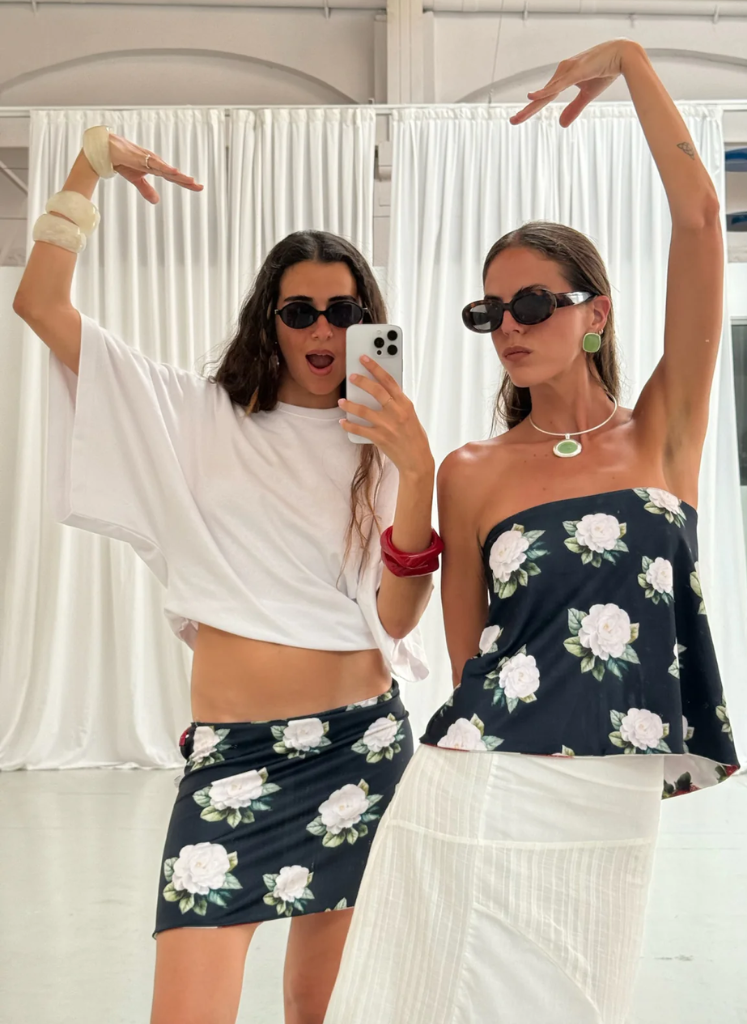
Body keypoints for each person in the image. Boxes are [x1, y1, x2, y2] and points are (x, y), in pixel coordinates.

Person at [324, 40, 739, 1024]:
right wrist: (417, 473)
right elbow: (467, 657)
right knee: (442, 993)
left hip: (610, 791)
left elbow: (699, 219)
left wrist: (633, 65)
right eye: (491, 309)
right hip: (484, 776)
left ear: (593, 316)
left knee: (578, 995)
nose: (510, 323)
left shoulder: (664, 429)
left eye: (533, 302)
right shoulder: (473, 471)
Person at [12, 128, 439, 1024]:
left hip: (361, 748)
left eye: (341, 310)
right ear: (268, 321)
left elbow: (396, 619)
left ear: (367, 320)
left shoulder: (385, 443)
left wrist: (417, 471)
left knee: (317, 1011)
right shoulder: (193, 414)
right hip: (233, 759)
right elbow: (42, 307)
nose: (321, 329)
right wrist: (86, 169)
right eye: (298, 312)